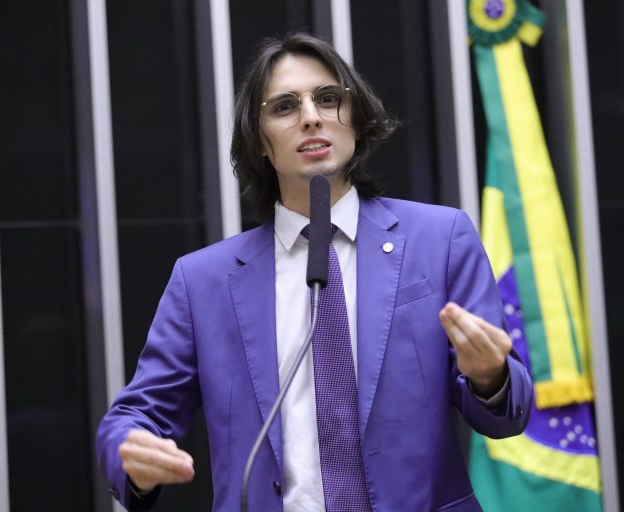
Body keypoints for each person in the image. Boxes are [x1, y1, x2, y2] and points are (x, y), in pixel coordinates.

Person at [97, 32, 533, 511]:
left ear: (356, 121)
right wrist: (131, 455)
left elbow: (506, 417)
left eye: (328, 99)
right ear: (260, 142)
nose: (311, 117)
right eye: (284, 107)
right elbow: (136, 415)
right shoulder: (203, 282)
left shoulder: (440, 239)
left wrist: (490, 376)